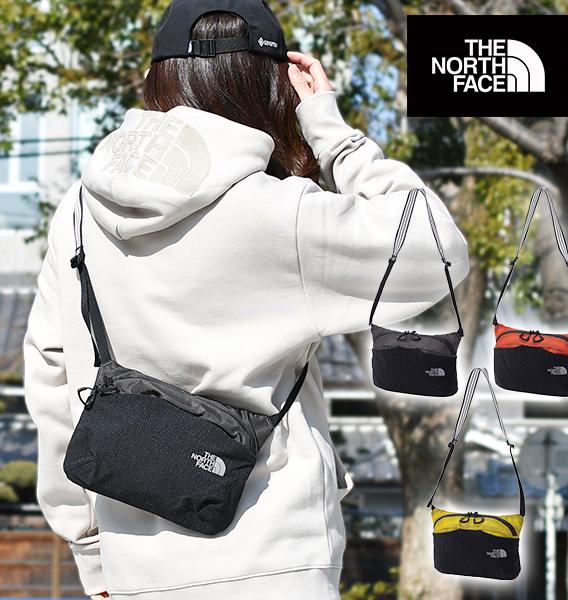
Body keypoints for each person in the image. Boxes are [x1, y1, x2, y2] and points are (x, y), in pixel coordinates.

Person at [23, 3, 469, 599]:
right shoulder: (283, 215)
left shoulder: (79, 213)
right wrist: (333, 133)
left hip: (134, 568)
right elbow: (437, 250)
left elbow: (53, 378)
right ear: (272, 86)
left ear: (158, 79)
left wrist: (91, 550)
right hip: (277, 560)